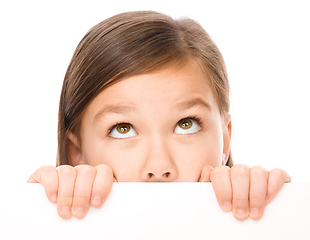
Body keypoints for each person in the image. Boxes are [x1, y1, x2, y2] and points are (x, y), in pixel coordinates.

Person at [27, 10, 291, 221]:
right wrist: (33, 215)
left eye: (186, 125)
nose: (158, 167)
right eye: (123, 128)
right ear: (77, 152)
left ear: (226, 138)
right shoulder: (42, 220)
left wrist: (283, 214)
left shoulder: (272, 218)